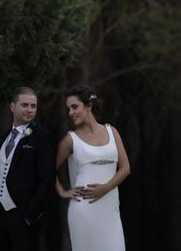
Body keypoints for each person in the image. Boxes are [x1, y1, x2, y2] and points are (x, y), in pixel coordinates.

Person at [55, 85, 131, 251]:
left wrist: (106, 188)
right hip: (83, 210)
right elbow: (47, 169)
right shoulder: (70, 139)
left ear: (88, 105)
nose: (70, 113)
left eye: (74, 107)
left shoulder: (112, 132)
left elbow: (125, 168)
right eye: (68, 109)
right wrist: (62, 191)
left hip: (110, 211)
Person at [0, 86, 56, 251]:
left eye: (33, 106)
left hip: (23, 217)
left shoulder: (42, 137)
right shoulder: (5, 137)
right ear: (13, 106)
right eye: (25, 105)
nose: (29, 110)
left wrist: (30, 216)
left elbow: (47, 180)